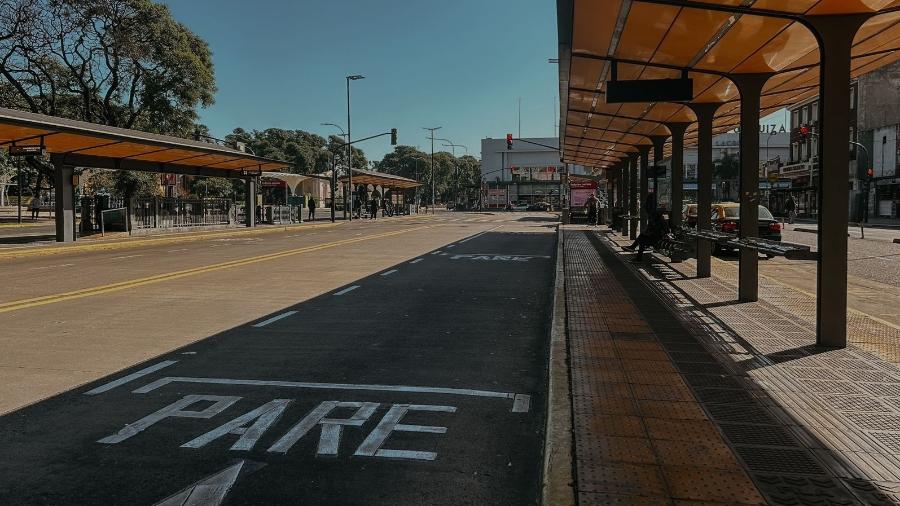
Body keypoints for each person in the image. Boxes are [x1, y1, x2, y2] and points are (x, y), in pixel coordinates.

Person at [624, 193, 668, 261]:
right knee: (642, 236)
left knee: (642, 239)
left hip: (658, 237)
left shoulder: (657, 215)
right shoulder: (657, 214)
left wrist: (650, 231)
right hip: (656, 235)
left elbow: (659, 228)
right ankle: (634, 249)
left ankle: (636, 254)